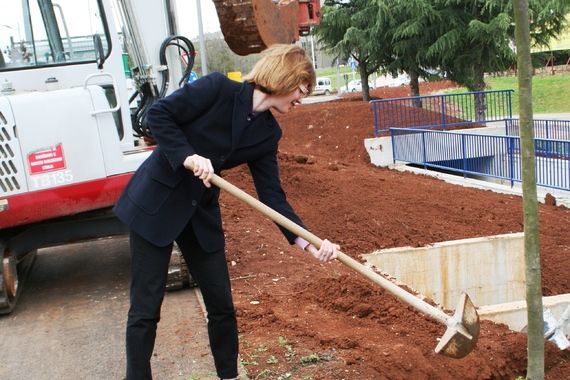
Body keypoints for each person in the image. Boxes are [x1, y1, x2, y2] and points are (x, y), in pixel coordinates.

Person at [114, 44, 340, 380]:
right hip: (157, 203)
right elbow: (158, 115)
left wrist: (309, 242)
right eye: (302, 89)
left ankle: (228, 376)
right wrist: (188, 156)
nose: (302, 99)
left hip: (199, 213)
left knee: (221, 305)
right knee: (146, 308)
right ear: (284, 78)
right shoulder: (218, 89)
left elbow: (272, 196)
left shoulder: (268, 133)